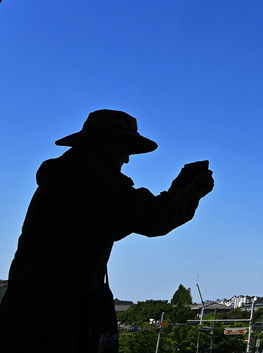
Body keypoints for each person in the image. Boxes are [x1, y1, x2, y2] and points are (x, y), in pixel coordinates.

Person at [0, 109, 214, 352]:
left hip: (33, 310)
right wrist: (191, 193)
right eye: (126, 148)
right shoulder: (92, 179)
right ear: (107, 143)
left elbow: (121, 222)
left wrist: (177, 192)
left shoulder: (67, 177)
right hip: (56, 315)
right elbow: (154, 219)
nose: (127, 159)